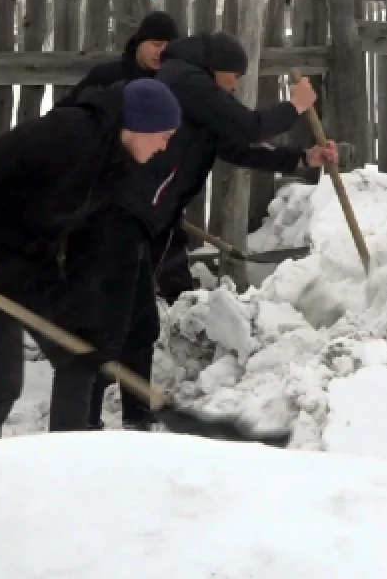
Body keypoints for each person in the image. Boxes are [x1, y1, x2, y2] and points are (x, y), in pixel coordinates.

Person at [87, 31, 338, 431]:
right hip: (119, 215)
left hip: (143, 220)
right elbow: (248, 125)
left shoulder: (195, 96)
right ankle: (85, 421)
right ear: (214, 69)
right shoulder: (185, 80)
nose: (236, 85)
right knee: (112, 323)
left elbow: (236, 146)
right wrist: (295, 107)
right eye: (233, 76)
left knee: (138, 323)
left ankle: (135, 417)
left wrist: (302, 158)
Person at [0, 78, 183, 448]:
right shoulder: (68, 135)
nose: (164, 147)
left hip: (31, 259)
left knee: (78, 358)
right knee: (4, 380)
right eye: (163, 135)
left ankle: (63, 463)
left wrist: (86, 318)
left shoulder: (116, 166)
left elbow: (90, 244)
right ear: (139, 125)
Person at [56, 11, 180, 107]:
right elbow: (65, 111)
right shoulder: (106, 76)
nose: (161, 52)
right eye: (156, 44)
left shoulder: (176, 82)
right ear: (139, 43)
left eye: (168, 46)